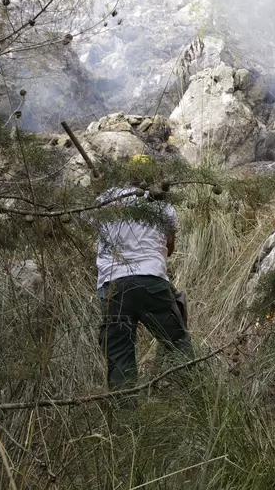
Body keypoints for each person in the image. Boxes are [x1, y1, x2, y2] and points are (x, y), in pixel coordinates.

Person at [95, 155, 193, 393]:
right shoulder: (163, 205)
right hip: (152, 283)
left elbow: (85, 218)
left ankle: (126, 423)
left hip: (113, 288)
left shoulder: (107, 199)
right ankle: (200, 400)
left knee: (119, 360)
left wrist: (99, 190)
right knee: (177, 344)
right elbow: (169, 249)